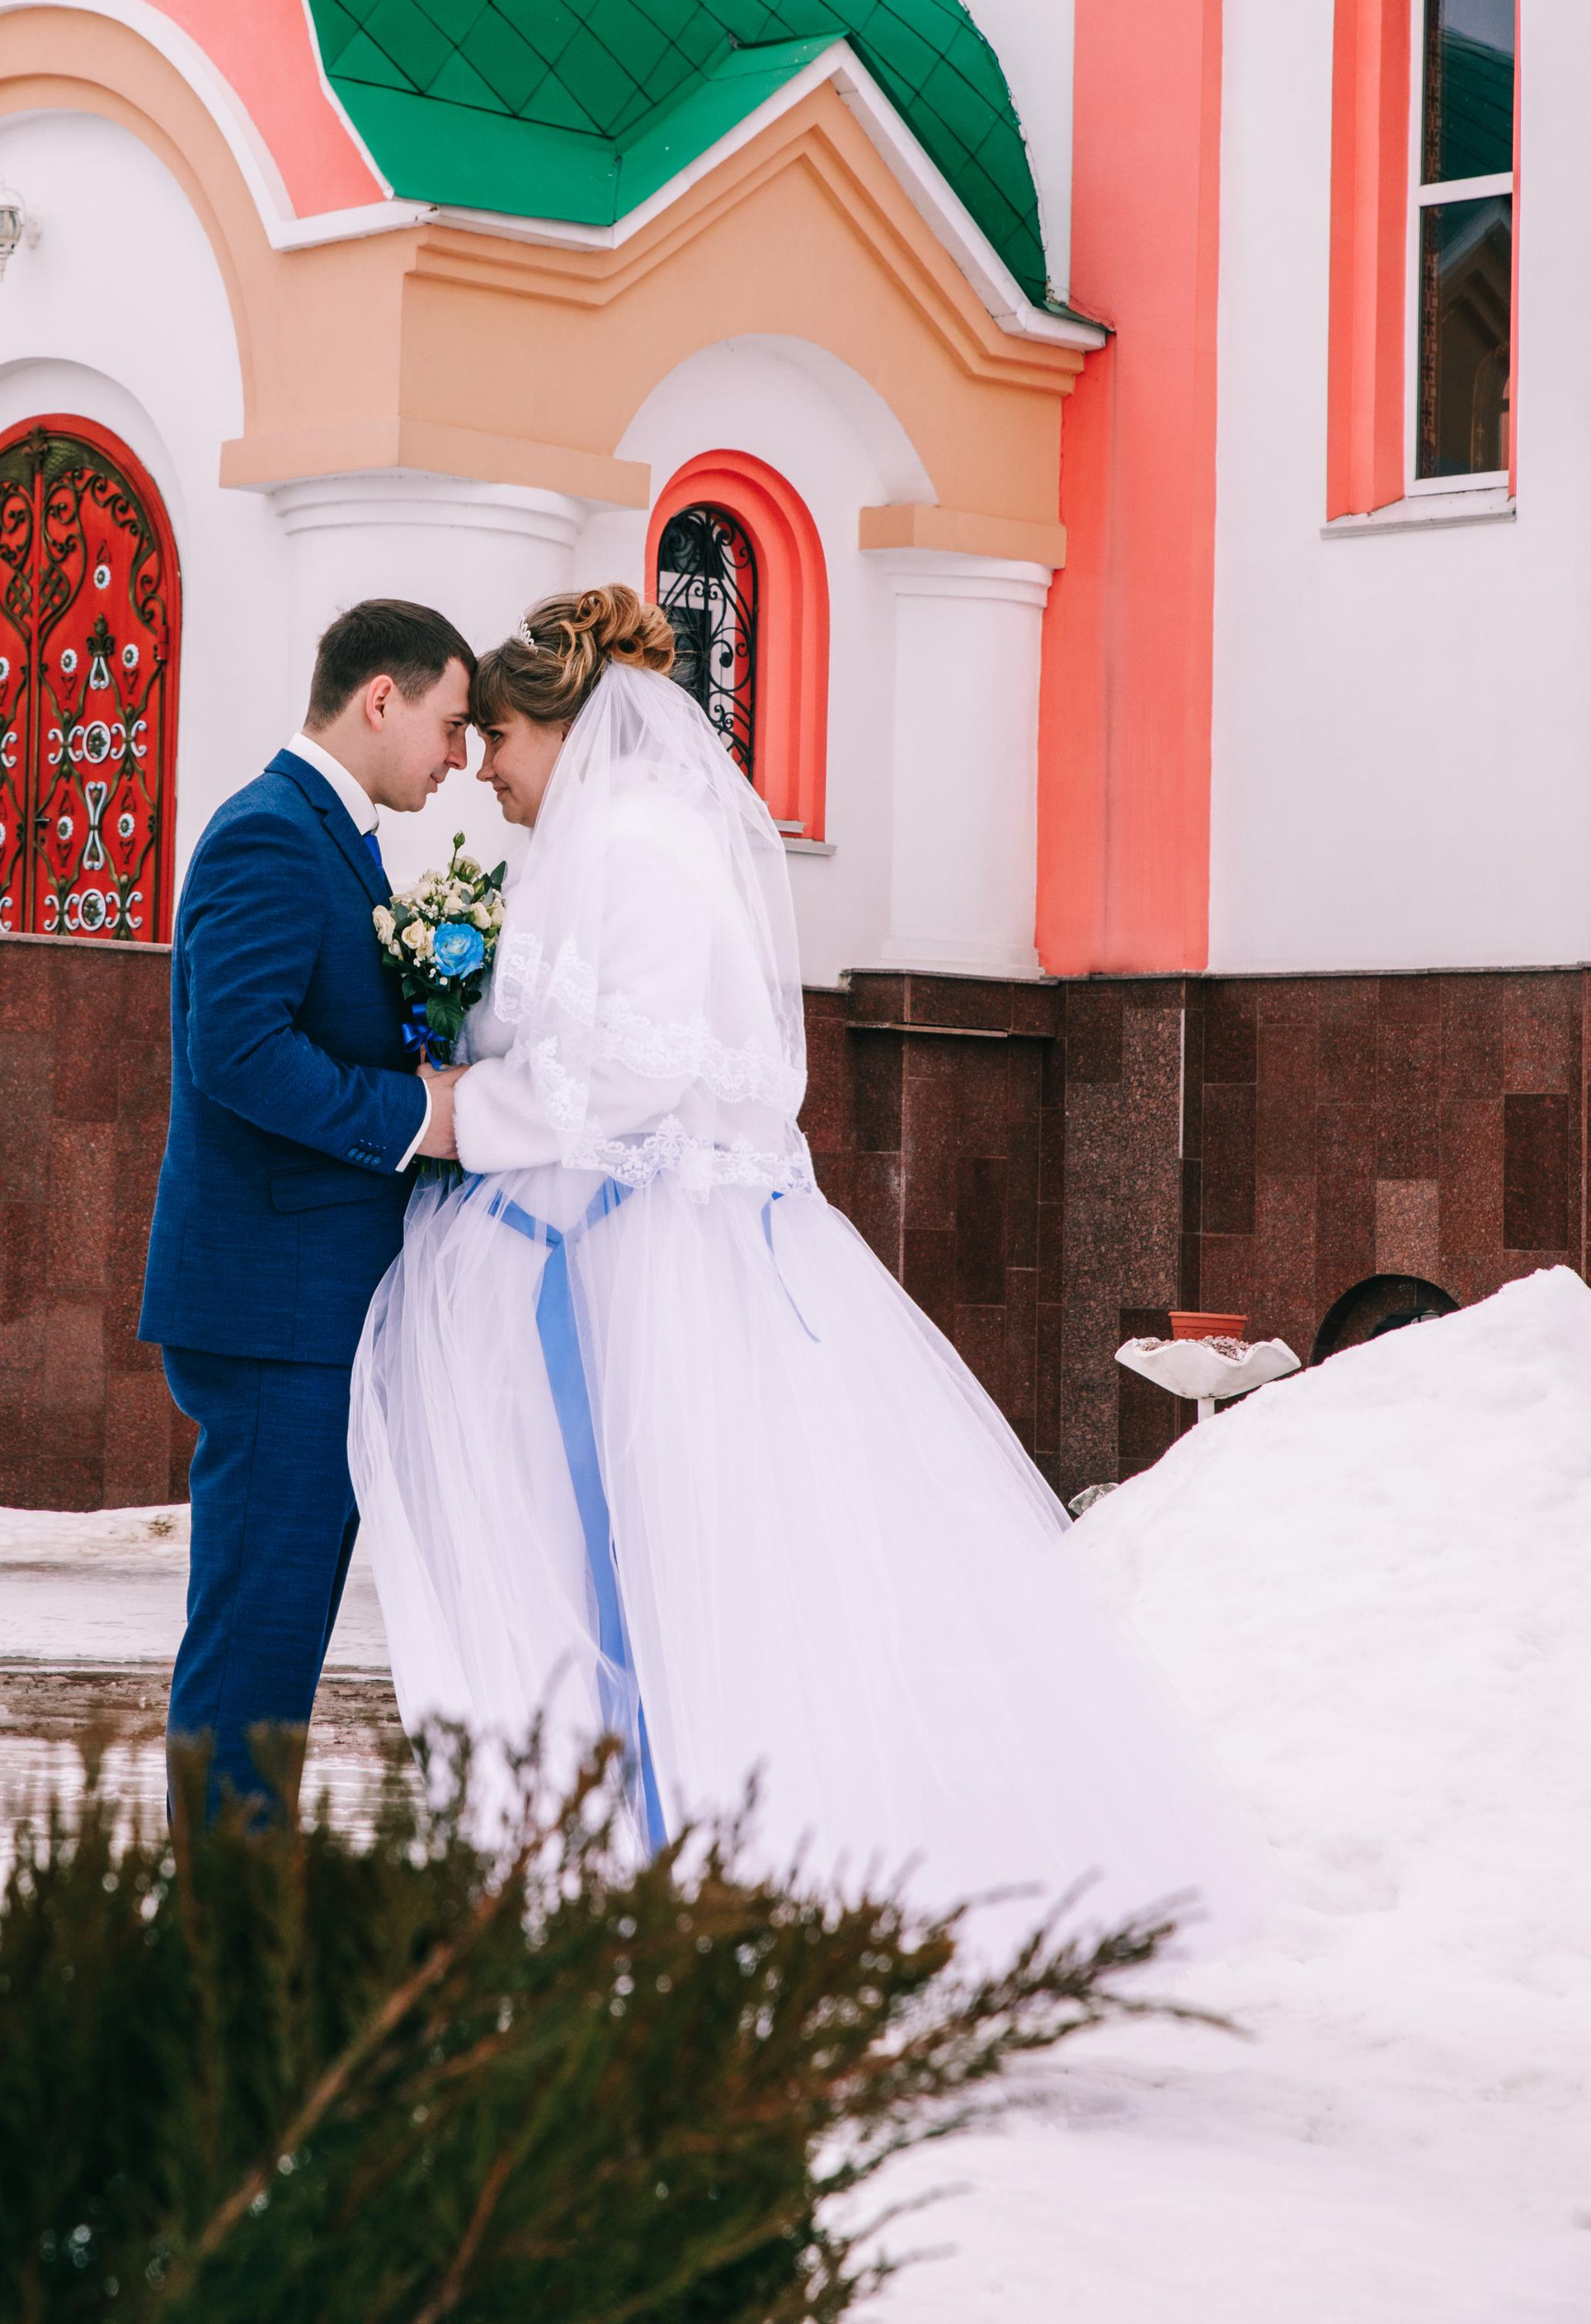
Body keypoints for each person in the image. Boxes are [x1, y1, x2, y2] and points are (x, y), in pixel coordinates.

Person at [351, 584, 1243, 1941]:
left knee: (672, 1557)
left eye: (503, 743)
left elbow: (645, 1066)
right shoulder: (621, 839)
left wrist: (478, 1116)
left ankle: (701, 1867)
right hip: (624, 1250)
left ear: (564, 727)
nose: (486, 774)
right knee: (646, 1559)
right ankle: (643, 1850)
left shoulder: (639, 844)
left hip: (652, 1266)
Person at [140, 599, 473, 1812]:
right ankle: (220, 1954)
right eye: (448, 724)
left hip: (307, 1309)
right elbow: (234, 1047)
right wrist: (414, 1118)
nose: (458, 758)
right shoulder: (272, 834)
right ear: (378, 699)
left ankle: (239, 1931)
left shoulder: (337, 835)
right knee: (251, 1656)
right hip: (273, 1313)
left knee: (274, 1656)